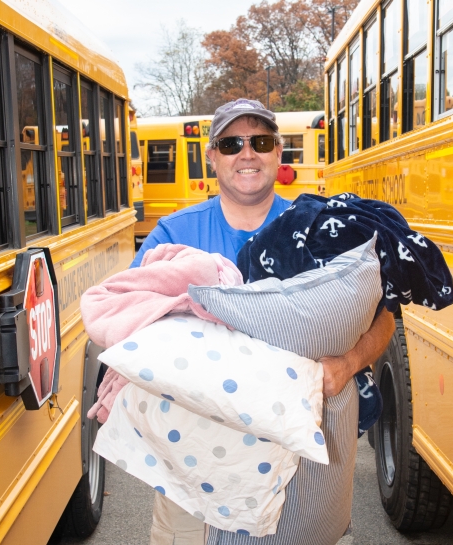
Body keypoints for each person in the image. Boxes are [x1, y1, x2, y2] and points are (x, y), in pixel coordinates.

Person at [131, 98, 395, 545]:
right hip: (197, 476)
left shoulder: (319, 225)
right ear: (212, 156)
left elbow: (383, 318)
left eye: (261, 141)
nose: (247, 153)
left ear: (279, 152)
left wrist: (347, 365)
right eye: (232, 143)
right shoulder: (173, 236)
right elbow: (135, 324)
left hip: (304, 472)